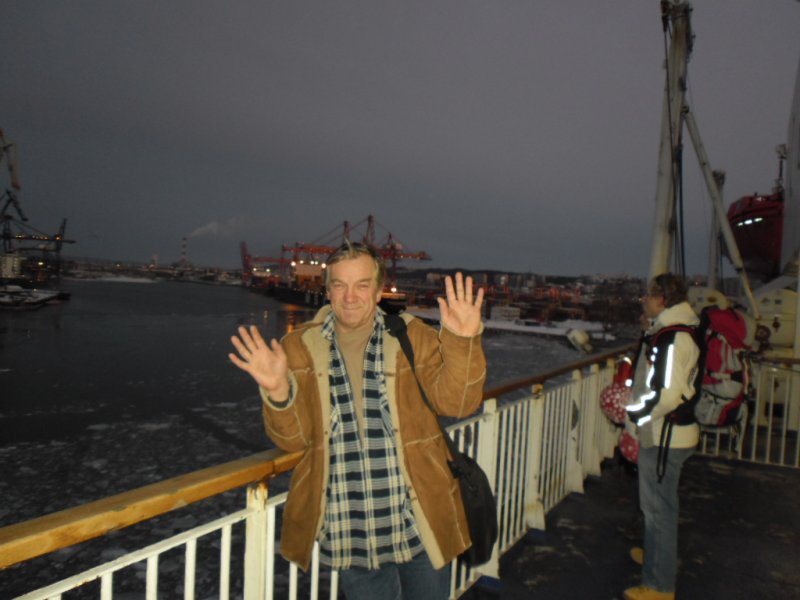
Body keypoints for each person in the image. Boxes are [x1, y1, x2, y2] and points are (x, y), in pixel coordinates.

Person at [229, 241, 486, 600]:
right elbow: (293, 440)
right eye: (339, 285)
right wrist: (277, 391)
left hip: (420, 520)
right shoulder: (298, 347)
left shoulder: (412, 336)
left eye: (362, 285)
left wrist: (462, 340)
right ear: (328, 290)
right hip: (349, 528)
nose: (350, 297)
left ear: (379, 291)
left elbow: (459, 403)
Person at [623, 273, 700, 600]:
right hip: (670, 433)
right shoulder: (676, 331)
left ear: (662, 299)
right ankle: (656, 555)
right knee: (658, 509)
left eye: (649, 296)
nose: (644, 300)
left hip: (665, 436)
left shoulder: (673, 338)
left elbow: (667, 394)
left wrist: (635, 415)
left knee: (659, 512)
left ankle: (659, 585)